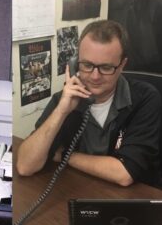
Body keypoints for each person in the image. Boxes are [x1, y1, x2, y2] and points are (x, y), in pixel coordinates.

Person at [16, 20, 161, 187]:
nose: (95, 76)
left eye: (106, 67)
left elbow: (124, 174)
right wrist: (62, 111)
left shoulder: (146, 98)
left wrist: (66, 156)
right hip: (80, 189)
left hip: (134, 199)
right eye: (87, 65)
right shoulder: (65, 99)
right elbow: (25, 166)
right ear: (75, 63)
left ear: (122, 65)